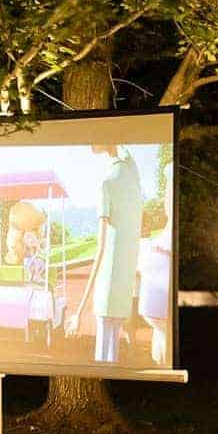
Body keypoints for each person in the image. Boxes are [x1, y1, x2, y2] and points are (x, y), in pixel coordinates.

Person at [64, 143, 144, 363]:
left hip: (108, 287)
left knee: (103, 357)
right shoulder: (132, 173)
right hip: (124, 287)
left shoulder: (106, 183)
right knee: (113, 353)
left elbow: (101, 249)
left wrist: (78, 313)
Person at [137, 162, 173, 365]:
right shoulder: (166, 231)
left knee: (162, 336)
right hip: (156, 296)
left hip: (157, 296)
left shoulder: (168, 230)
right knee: (161, 335)